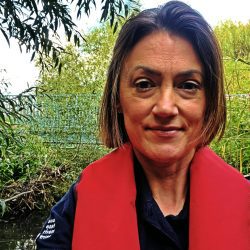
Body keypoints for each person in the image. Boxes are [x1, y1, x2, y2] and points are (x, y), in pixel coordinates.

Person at [36, 1, 250, 249]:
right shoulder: (75, 209)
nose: (166, 107)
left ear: (209, 102)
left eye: (188, 85)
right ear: (117, 98)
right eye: (144, 84)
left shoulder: (244, 202)